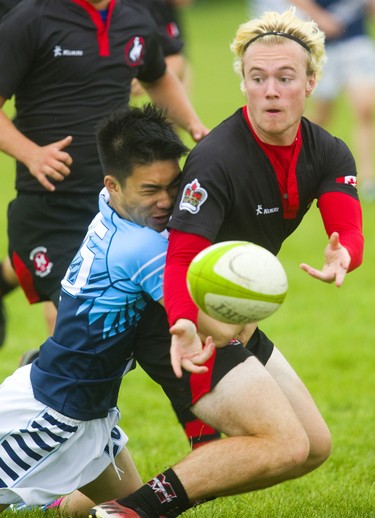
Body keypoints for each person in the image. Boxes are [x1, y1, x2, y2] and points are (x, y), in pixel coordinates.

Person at [91, 7, 364, 517]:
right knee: (282, 442)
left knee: (313, 445)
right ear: (243, 83)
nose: (271, 91)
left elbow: (347, 224)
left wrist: (344, 250)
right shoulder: (218, 159)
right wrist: (184, 325)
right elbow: (182, 256)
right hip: (176, 317)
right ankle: (127, 514)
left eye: (285, 78)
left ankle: (95, 503)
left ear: (311, 82)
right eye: (257, 78)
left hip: (229, 315)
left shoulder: (328, 151)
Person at [0, 103, 200, 515]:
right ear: (113, 184)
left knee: (122, 504)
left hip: (93, 412)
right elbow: (196, 309)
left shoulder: (110, 206)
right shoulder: (141, 247)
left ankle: (50, 497)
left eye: (172, 186)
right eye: (150, 190)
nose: (165, 201)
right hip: (54, 411)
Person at [0, 0, 207, 349]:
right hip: (51, 206)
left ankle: (44, 367)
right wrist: (31, 154)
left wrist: (194, 124)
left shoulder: (134, 17)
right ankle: (44, 377)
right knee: (74, 314)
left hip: (119, 207)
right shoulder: (30, 19)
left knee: (132, 323)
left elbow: (157, 76)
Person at [249, 0, 375, 200]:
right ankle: (288, 167)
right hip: (324, 46)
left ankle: (368, 179)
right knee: (321, 117)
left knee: (365, 110)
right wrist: (320, 16)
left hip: (356, 42)